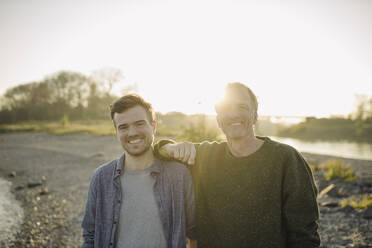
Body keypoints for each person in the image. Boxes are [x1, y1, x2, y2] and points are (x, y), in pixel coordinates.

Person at [154, 82, 320, 248]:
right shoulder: (205, 155)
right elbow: (158, 151)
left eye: (242, 106)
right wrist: (171, 147)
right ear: (219, 120)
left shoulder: (287, 159)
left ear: (255, 116)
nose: (233, 114)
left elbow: (304, 236)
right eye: (226, 108)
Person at [81, 94, 196, 248]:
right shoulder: (101, 177)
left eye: (139, 123)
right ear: (116, 131)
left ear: (153, 126)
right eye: (123, 127)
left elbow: (194, 232)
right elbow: (90, 236)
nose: (132, 132)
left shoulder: (179, 175)